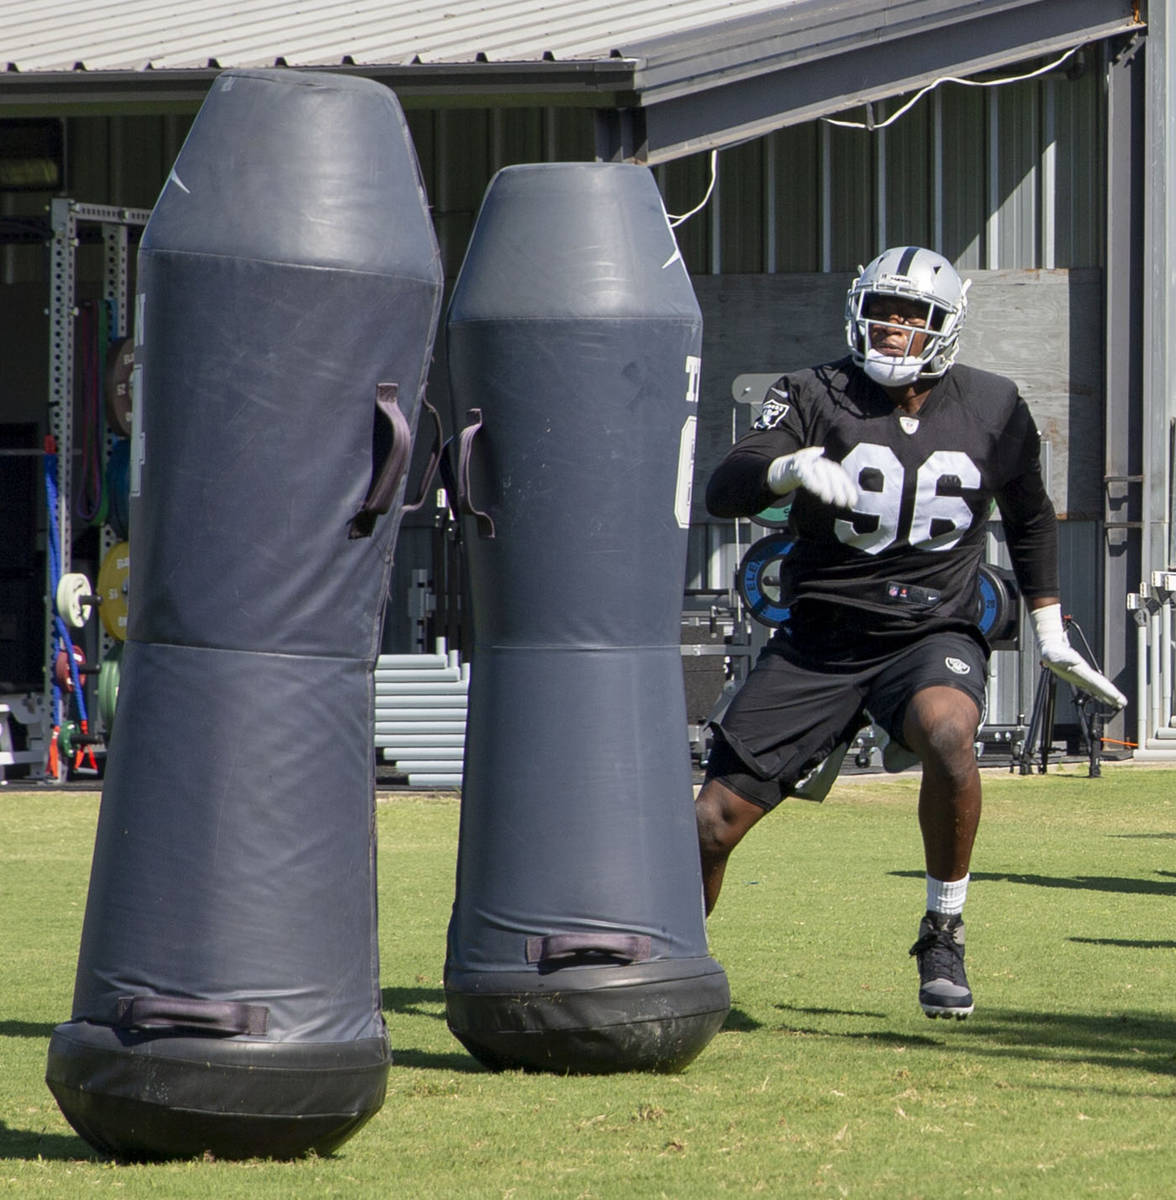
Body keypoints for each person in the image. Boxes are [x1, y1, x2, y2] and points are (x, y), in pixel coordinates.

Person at [696, 245, 1126, 1020]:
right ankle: (676, 966)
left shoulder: (993, 404)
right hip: (821, 639)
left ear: (946, 325)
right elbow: (725, 484)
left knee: (949, 731)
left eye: (913, 315)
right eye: (882, 312)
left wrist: (1049, 628)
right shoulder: (812, 392)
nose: (894, 329)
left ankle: (942, 929)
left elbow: (1029, 518)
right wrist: (783, 471)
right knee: (709, 826)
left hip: (933, 629)